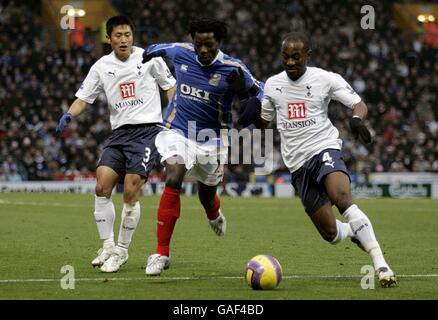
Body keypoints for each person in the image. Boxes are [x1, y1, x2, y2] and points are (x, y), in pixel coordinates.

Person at [244, 32, 396, 287]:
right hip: (297, 164)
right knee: (331, 234)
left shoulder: (325, 79)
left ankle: (381, 264)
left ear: (307, 56)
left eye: (296, 57)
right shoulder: (272, 85)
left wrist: (357, 119)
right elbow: (264, 122)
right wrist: (251, 113)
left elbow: (358, 103)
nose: (290, 62)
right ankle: (354, 232)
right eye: (286, 56)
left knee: (342, 199)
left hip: (324, 148)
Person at [141, 17, 262, 275]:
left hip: (213, 140)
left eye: (209, 44)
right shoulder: (181, 52)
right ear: (192, 41)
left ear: (219, 42)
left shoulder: (233, 68)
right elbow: (154, 49)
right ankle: (161, 252)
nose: (204, 50)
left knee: (206, 194)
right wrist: (143, 55)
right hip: (178, 131)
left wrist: (249, 99)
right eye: (199, 44)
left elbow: (259, 92)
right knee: (173, 176)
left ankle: (213, 213)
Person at [56, 16, 176, 273]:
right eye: (118, 35)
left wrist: (174, 115)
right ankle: (108, 245)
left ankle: (122, 250)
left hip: (148, 132)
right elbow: (83, 98)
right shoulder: (101, 66)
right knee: (101, 185)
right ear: (109, 38)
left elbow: (171, 87)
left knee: (131, 189)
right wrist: (69, 114)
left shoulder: (150, 58)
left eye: (127, 35)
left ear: (133, 36)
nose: (124, 40)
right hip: (119, 134)